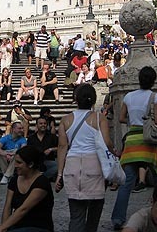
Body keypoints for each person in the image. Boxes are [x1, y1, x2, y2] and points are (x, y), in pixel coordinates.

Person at [111, 67, 157, 230]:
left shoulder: (129, 96)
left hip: (132, 140)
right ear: (153, 80)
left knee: (127, 182)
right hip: (149, 140)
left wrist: (133, 121)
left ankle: (117, 219)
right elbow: (156, 121)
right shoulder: (155, 96)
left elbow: (121, 118)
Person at [56, 84, 116, 232]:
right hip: (94, 166)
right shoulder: (99, 118)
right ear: (93, 100)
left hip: (72, 167)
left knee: (76, 215)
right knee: (94, 212)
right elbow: (107, 142)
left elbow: (62, 147)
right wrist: (115, 153)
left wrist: (59, 174)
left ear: (76, 99)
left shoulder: (66, 120)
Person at [0, 146, 54, 232]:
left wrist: (2, 228)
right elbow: (8, 206)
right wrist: (4, 227)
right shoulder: (15, 179)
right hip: (17, 226)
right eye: (15, 162)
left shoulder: (42, 182)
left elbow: (24, 209)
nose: (15, 165)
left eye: (19, 163)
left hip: (38, 227)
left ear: (30, 164)